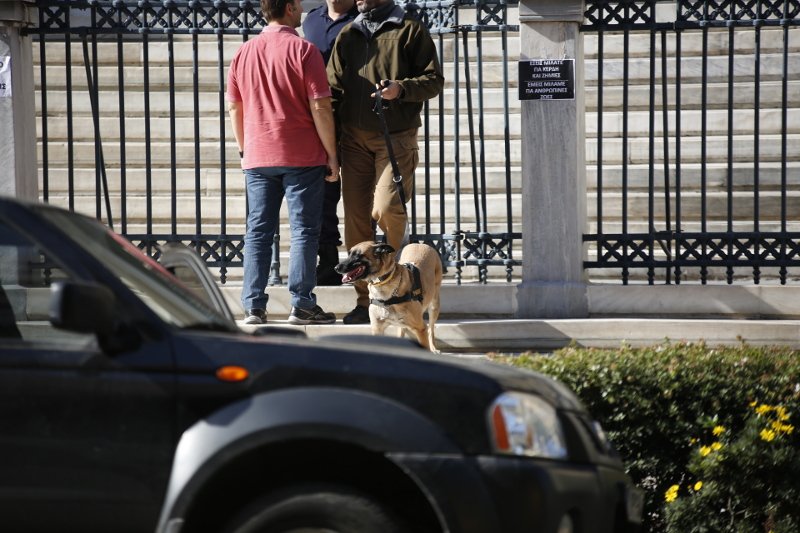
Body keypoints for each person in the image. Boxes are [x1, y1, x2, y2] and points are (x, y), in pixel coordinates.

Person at [327, 0, 444, 324]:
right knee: (355, 219)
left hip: (396, 138)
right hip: (353, 140)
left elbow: (434, 80)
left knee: (387, 207)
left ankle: (396, 286)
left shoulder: (410, 30)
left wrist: (400, 89)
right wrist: (329, 142)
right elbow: (332, 88)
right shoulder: (349, 34)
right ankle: (367, 300)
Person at [227, 0, 339, 325]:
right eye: (299, 4)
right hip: (301, 154)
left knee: (258, 232)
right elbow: (320, 106)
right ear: (289, 8)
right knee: (303, 231)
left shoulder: (243, 53)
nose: (303, 9)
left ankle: (253, 306)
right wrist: (332, 154)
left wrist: (245, 149)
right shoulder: (304, 50)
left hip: (258, 155)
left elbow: (235, 107)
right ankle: (302, 304)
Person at [301, 0, 358, 286]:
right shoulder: (311, 20)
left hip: (357, 119)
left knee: (362, 195)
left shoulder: (362, 18)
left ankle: (365, 260)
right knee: (324, 194)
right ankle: (328, 260)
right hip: (321, 120)